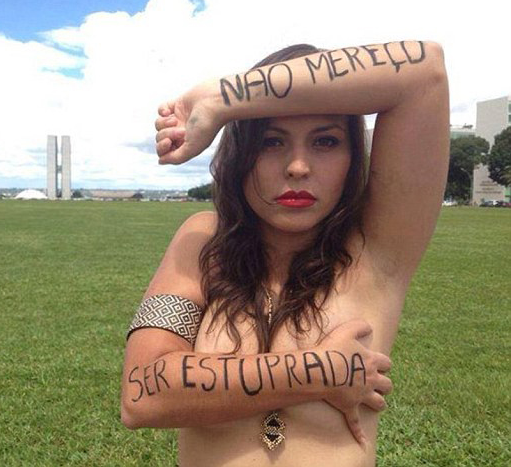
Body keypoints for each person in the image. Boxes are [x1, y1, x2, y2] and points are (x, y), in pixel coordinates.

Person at [121, 40, 449, 467]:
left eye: (325, 141)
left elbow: (424, 72)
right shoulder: (203, 242)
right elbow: (143, 394)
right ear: (241, 155)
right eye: (271, 142)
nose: (298, 166)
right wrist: (320, 371)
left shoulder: (376, 249)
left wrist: (221, 99)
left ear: (353, 156)